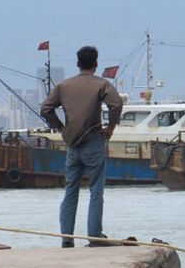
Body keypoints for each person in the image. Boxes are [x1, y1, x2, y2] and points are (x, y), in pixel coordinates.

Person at [40, 46, 123, 248]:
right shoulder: (101, 84)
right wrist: (111, 126)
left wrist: (60, 127)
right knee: (96, 190)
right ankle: (94, 237)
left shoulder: (63, 86)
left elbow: (45, 109)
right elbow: (117, 104)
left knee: (71, 191)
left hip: (72, 144)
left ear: (78, 64)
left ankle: (67, 239)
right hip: (93, 140)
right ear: (96, 64)